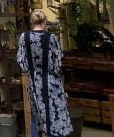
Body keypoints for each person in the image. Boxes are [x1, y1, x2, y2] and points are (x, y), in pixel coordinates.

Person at [17, 9, 72, 137]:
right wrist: (56, 74)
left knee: (36, 118)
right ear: (45, 22)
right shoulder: (51, 38)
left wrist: (31, 70)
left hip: (33, 82)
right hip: (51, 82)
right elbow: (58, 61)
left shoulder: (24, 37)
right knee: (53, 116)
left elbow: (21, 60)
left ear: (31, 22)